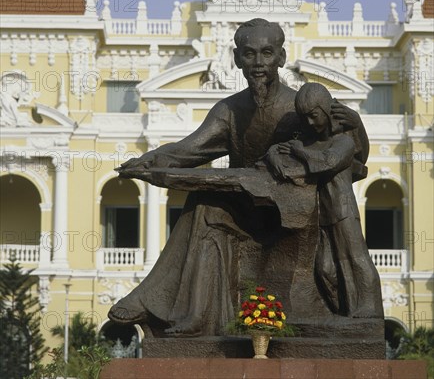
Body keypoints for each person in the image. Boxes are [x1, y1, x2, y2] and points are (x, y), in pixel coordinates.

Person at [108, 19, 370, 335]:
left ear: (282, 57)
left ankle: (158, 303)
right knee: (204, 205)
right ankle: (195, 317)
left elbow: (351, 157)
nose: (258, 63)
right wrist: (149, 161)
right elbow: (188, 149)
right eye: (249, 54)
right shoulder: (230, 110)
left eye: (267, 53)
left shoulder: (300, 105)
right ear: (237, 59)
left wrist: (356, 127)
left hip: (294, 213)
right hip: (248, 209)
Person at [267, 82, 383, 318]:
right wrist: (273, 156)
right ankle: (344, 310)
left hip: (343, 211)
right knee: (325, 268)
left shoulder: (344, 143)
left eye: (313, 116)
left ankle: (369, 308)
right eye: (305, 118)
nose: (310, 123)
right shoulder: (311, 144)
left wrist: (299, 151)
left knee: (356, 258)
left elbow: (324, 163)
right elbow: (278, 149)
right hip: (321, 214)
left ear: (326, 110)